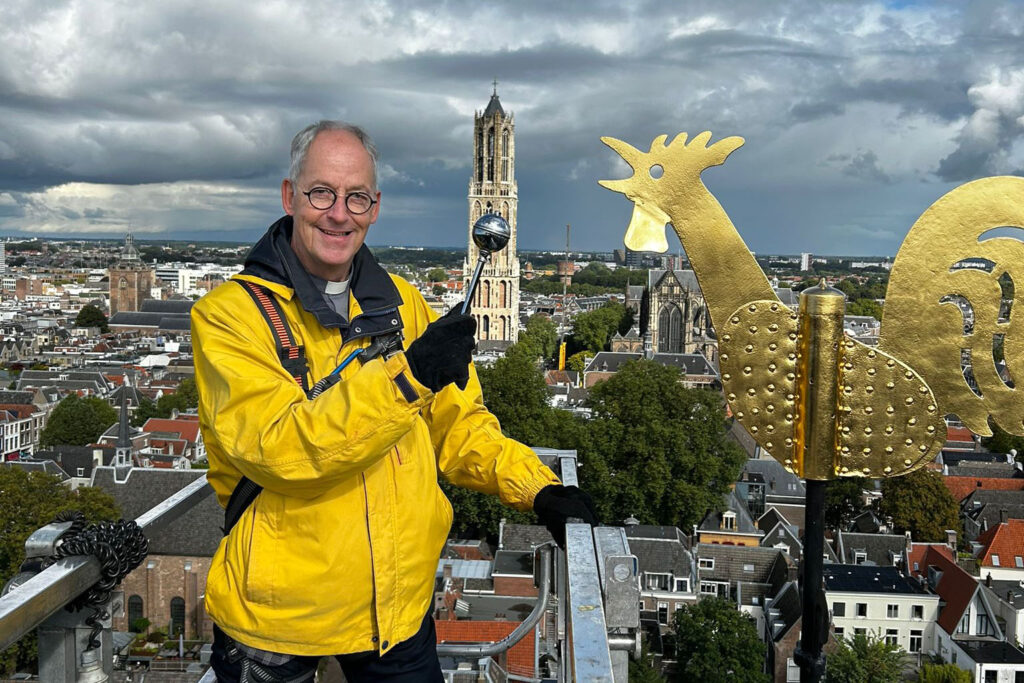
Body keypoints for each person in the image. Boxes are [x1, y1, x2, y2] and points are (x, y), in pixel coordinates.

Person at [191, 120, 598, 683]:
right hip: (278, 622)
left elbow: (456, 427)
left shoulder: (402, 304)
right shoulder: (230, 317)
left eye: (356, 197)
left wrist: (538, 488)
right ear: (290, 197)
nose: (339, 213)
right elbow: (278, 449)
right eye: (321, 194)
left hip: (396, 613)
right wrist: (407, 380)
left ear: (374, 207)